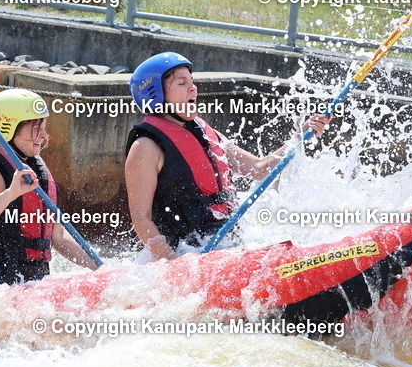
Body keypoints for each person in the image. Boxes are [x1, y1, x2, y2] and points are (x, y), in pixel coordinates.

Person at [125, 52, 330, 259]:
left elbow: (259, 169)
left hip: (224, 245)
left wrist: (299, 138)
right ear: (156, 93)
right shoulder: (145, 147)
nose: (193, 87)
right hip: (182, 254)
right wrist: (174, 265)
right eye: (181, 83)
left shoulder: (206, 133)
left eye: (192, 81)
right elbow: (141, 219)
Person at [0, 88, 98, 285]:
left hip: (36, 280)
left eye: (44, 128)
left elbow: (58, 237)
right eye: (36, 129)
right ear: (10, 128)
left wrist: (98, 268)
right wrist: (10, 193)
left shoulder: (36, 170)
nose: (44, 136)